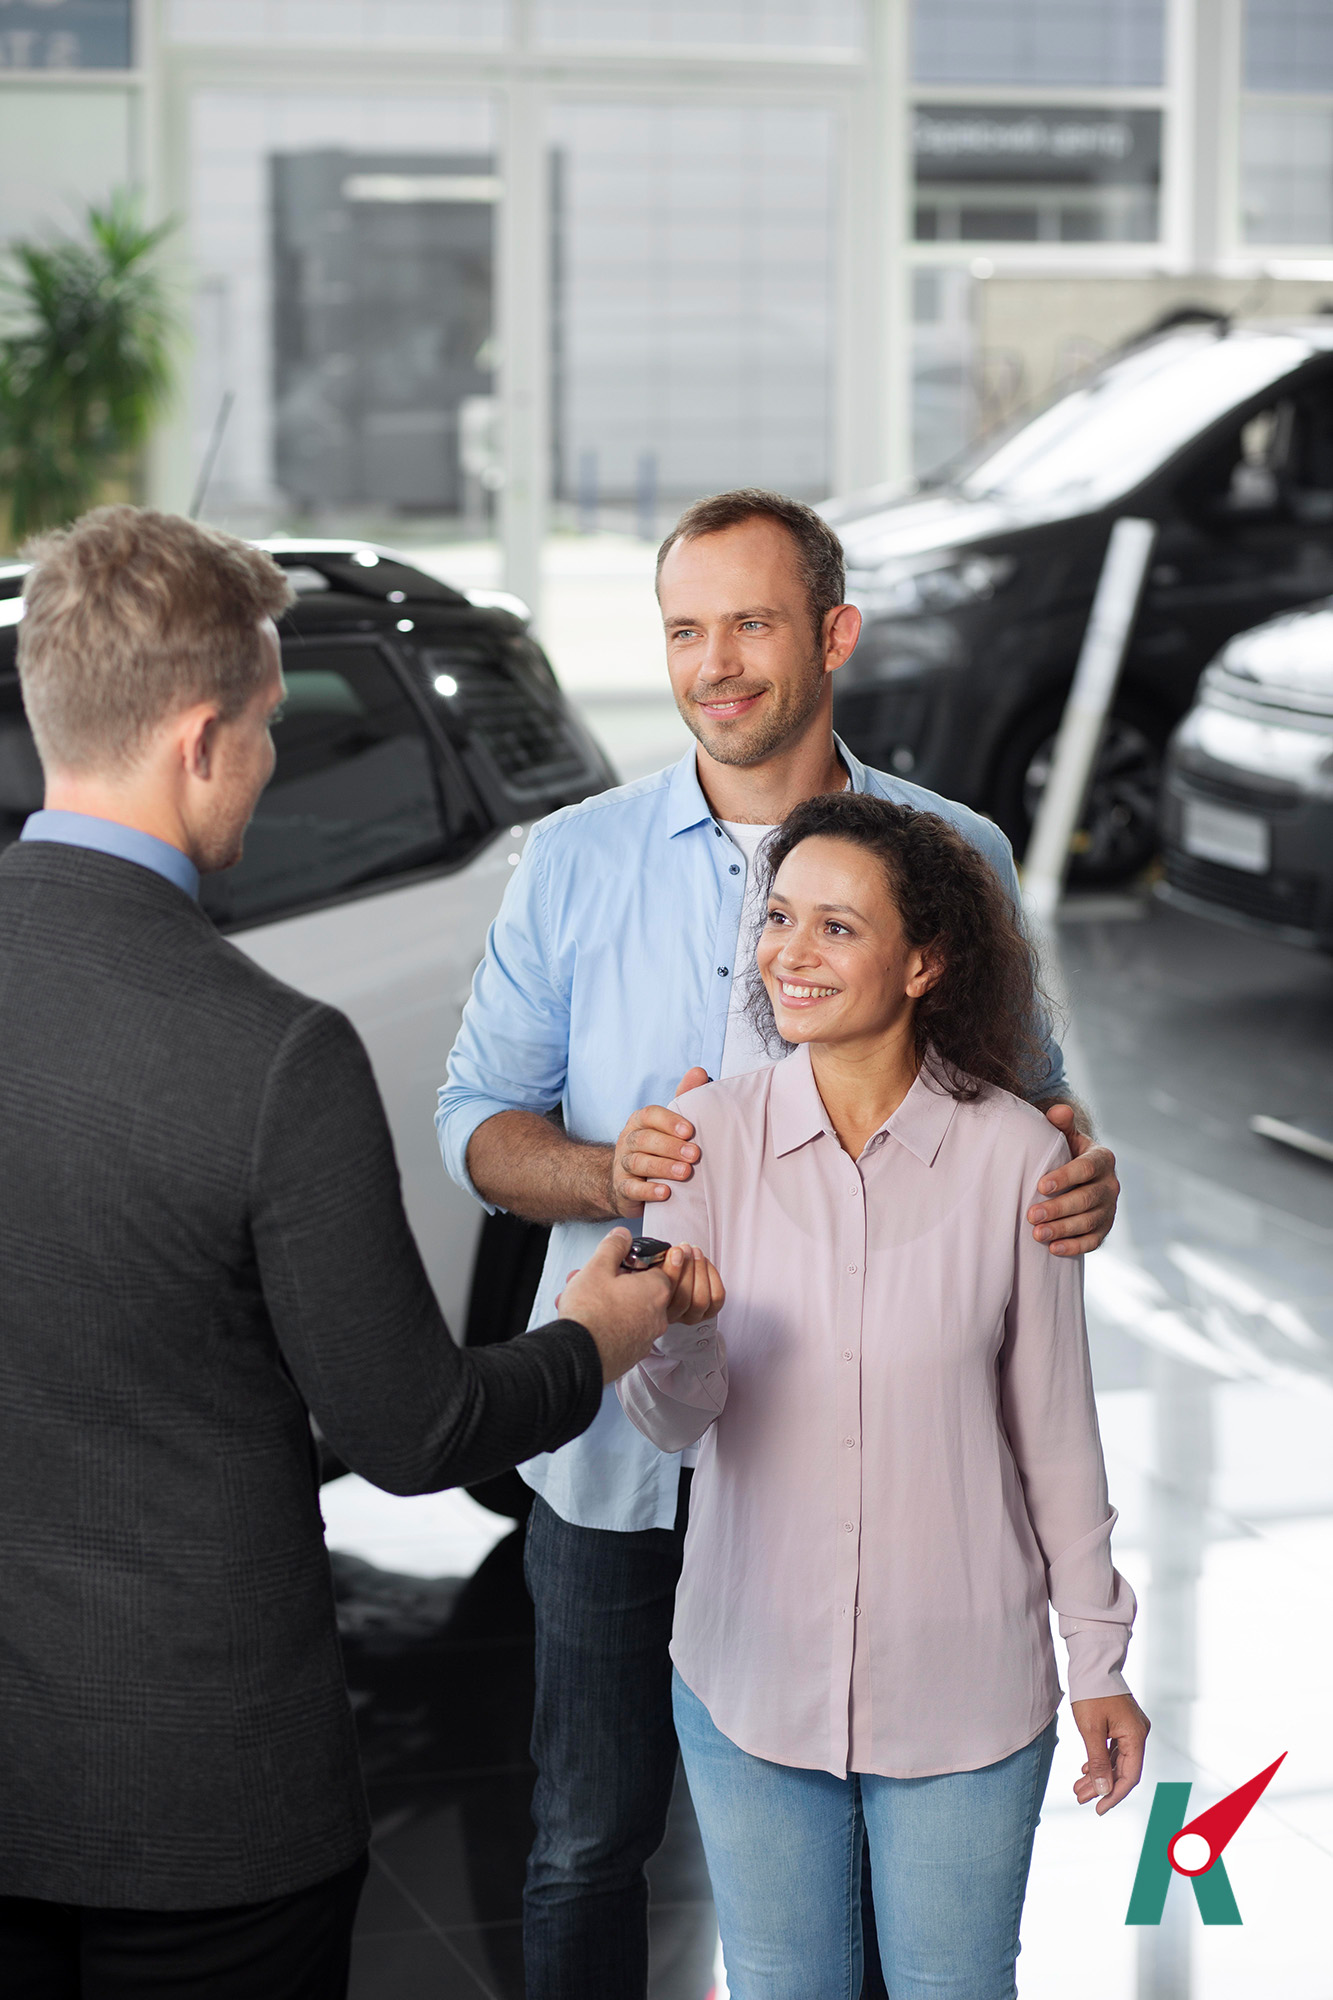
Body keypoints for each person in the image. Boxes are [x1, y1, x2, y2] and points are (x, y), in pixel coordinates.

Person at [0, 505, 719, 2000]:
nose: (269, 766)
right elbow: (413, 1432)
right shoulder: (270, 1054)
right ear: (201, 740)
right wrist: (593, 1331)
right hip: (208, 1815)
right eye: (267, 727)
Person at [437, 488, 1123, 2000]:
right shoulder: (573, 860)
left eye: (749, 623)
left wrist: (1085, 1172)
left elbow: (1038, 1108)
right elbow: (478, 1124)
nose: (715, 663)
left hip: (873, 1466)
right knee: (583, 1846)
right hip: (627, 1440)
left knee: (871, 1887)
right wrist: (607, 1165)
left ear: (831, 635)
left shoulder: (955, 854)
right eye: (684, 629)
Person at [618, 792, 1148, 2000]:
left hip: (965, 1684)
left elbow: (1056, 1431)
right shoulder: (702, 1138)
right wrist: (680, 1333)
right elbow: (671, 1421)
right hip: (749, 1673)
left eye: (837, 928)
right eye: (780, 918)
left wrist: (1098, 1656)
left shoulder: (1019, 1154)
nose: (790, 954)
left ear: (923, 960)